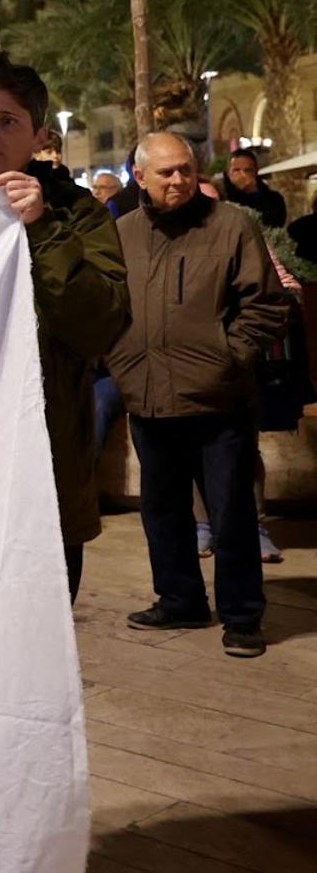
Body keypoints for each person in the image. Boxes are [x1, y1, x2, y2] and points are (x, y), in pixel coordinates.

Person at [0, 51, 129, 601]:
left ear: (39, 135)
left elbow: (100, 324)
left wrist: (43, 230)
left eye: (7, 121)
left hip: (41, 466)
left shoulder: (77, 214)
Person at [106, 132, 293, 659]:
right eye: (165, 172)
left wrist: (228, 358)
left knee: (230, 512)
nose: (178, 179)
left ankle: (242, 616)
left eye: (185, 169)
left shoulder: (232, 226)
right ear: (139, 177)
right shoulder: (121, 234)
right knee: (162, 509)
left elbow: (266, 306)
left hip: (219, 399)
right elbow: (108, 308)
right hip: (147, 396)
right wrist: (122, 363)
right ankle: (180, 600)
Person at [221, 147, 286, 228]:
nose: (243, 175)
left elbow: (273, 225)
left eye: (247, 170)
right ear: (228, 173)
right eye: (236, 170)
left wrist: (253, 192)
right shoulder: (219, 197)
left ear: (255, 172)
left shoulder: (274, 199)